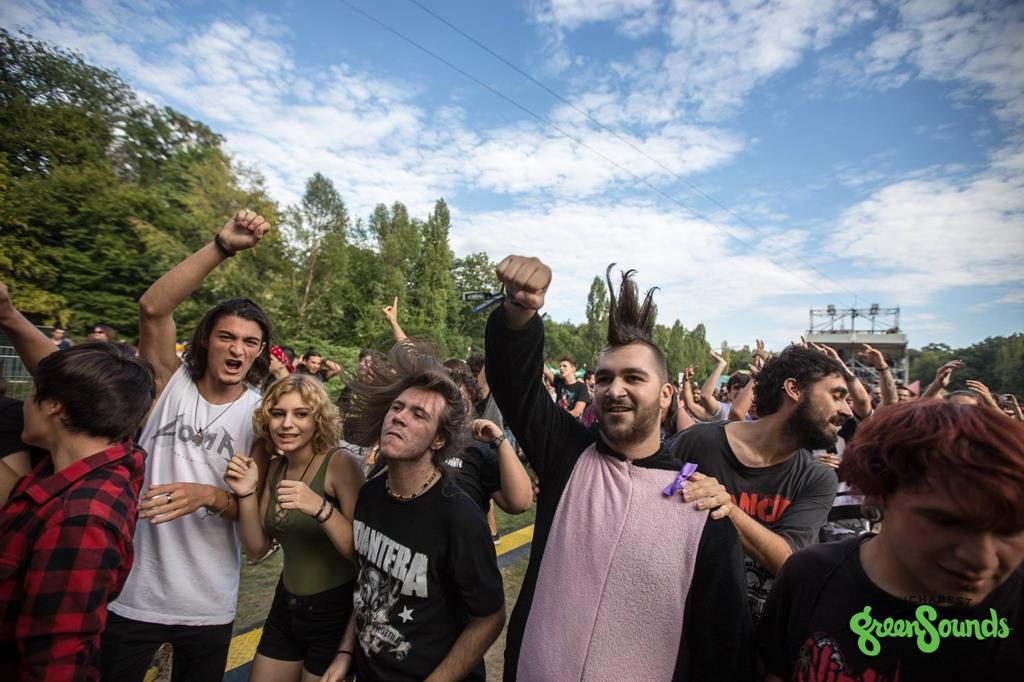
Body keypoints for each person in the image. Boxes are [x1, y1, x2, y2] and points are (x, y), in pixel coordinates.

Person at [488, 258, 755, 681]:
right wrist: (520, 310)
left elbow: (725, 653)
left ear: (666, 395)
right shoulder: (566, 454)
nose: (615, 390)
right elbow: (513, 381)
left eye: (633, 377)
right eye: (604, 378)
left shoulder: (701, 508)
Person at [102, 210, 273, 682]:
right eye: (227, 337)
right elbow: (152, 308)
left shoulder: (261, 416)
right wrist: (221, 246)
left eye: (250, 342)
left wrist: (209, 496)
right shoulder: (167, 382)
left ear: (260, 351)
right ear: (206, 340)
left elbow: (251, 509)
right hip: (132, 592)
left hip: (207, 600)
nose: (237, 350)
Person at [757, 400, 1024, 680]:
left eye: (1009, 529)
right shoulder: (810, 576)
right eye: (946, 522)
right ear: (878, 495)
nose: (982, 559)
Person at [321, 341, 505, 682]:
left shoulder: (459, 518)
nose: (399, 418)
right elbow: (365, 585)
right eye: (397, 407)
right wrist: (345, 653)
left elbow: (490, 617)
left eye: (418, 414)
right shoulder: (370, 493)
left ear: (438, 440)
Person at [0, 279, 156, 680]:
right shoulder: (95, 463)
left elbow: (57, 661)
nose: (23, 404)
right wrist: (9, 314)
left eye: (33, 392)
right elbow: (84, 385)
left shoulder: (83, 518)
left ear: (54, 406)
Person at [668, 344, 849, 623]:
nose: (847, 411)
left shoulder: (817, 478)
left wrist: (727, 508)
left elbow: (789, 561)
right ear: (794, 389)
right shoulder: (697, 443)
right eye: (837, 396)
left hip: (756, 640)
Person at [224, 374, 365, 681]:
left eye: (301, 414)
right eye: (278, 413)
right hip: (286, 606)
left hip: (334, 612)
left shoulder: (340, 463)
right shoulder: (277, 467)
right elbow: (256, 550)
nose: (287, 424)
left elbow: (364, 553)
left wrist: (321, 509)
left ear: (318, 419)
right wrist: (246, 494)